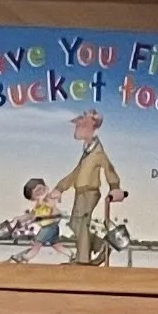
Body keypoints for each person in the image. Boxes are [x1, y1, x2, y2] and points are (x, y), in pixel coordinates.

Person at [55, 108, 121, 265]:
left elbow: (109, 169)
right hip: (81, 192)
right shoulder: (87, 151)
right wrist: (60, 187)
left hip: (89, 192)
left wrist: (115, 187)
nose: (77, 129)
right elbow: (76, 172)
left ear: (92, 127)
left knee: (81, 224)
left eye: (81, 126)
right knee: (75, 223)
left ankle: (83, 260)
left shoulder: (98, 152)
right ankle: (102, 245)